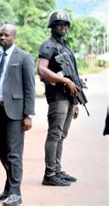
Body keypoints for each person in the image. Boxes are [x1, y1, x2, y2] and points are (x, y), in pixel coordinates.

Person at [0, 24, 35, 205]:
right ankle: (9, 188)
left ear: (13, 37)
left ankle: (16, 193)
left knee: (14, 154)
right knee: (2, 151)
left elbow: (29, 88)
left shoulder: (24, 57)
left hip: (15, 113)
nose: (2, 38)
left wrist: (28, 115)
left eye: (6, 35)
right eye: (0, 35)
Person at [37, 11, 79, 186]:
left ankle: (57, 170)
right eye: (58, 24)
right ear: (52, 27)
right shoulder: (48, 45)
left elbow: (74, 75)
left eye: (65, 24)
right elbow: (42, 69)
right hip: (57, 96)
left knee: (62, 134)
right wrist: (64, 80)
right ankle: (50, 173)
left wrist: (76, 102)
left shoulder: (65, 46)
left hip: (69, 97)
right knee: (55, 134)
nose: (62, 26)